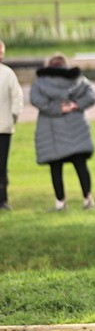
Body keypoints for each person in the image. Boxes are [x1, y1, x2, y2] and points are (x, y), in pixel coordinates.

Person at [31, 54, 95, 211]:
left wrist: (55, 108)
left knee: (56, 168)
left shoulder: (40, 82)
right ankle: (88, 199)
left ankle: (60, 202)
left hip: (51, 130)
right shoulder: (78, 80)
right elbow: (93, 94)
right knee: (80, 165)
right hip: (77, 127)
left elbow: (35, 99)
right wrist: (76, 104)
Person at [0, 38, 24, 211]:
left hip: (3, 128)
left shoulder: (7, 74)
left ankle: (2, 199)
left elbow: (17, 99)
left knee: (1, 166)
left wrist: (12, 118)